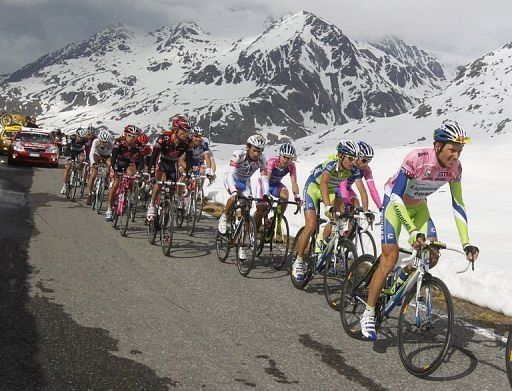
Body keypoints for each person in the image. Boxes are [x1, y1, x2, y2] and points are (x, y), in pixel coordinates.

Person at [359, 120, 480, 341]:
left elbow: (458, 204)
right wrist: (412, 231)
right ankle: (368, 311)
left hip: (419, 207)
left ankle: (401, 277)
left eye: (460, 151)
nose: (456, 156)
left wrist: (466, 242)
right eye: (452, 149)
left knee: (432, 254)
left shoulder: (455, 169)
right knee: (390, 257)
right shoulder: (417, 158)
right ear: (437, 146)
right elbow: (396, 196)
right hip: (395, 206)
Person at [291, 140, 368, 282]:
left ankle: (325, 243)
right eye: (350, 158)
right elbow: (324, 183)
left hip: (331, 190)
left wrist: (366, 210)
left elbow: (362, 190)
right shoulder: (331, 163)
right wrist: (327, 206)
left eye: (355, 159)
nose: (353, 162)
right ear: (340, 156)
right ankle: (299, 261)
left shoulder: (353, 169)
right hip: (314, 188)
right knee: (311, 225)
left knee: (342, 214)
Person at [218, 135, 268, 260]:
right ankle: (224, 217)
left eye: (260, 150)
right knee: (234, 197)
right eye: (255, 150)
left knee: (246, 213)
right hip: (232, 179)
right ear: (248, 147)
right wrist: (234, 191)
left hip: (245, 182)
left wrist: (265, 194)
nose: (257, 153)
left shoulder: (262, 159)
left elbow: (264, 177)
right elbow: (230, 173)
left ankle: (240, 245)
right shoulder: (239, 154)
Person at [146, 115, 193, 220]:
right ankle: (152, 204)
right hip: (161, 162)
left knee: (171, 191)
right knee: (160, 182)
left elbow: (189, 160)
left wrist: (189, 173)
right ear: (176, 130)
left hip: (173, 165)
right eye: (183, 131)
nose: (186, 134)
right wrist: (151, 172)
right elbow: (153, 156)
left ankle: (166, 217)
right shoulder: (164, 138)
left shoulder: (188, 142)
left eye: (188, 132)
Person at [253, 143, 301, 231]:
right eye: (284, 157)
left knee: (285, 194)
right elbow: (266, 178)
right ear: (280, 155)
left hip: (275, 185)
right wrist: (266, 194)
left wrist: (297, 197)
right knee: (261, 208)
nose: (286, 160)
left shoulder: (291, 166)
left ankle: (275, 219)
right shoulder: (272, 161)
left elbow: (294, 182)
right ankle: (254, 231)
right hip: (264, 184)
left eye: (289, 158)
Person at [105, 125, 145, 221]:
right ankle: (109, 209)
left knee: (132, 175)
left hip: (128, 163)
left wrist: (141, 171)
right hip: (117, 162)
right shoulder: (119, 142)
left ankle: (128, 195)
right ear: (125, 134)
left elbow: (141, 159)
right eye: (130, 136)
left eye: (134, 136)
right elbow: (114, 156)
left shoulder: (138, 145)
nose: (132, 138)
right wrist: (114, 169)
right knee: (115, 184)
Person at [339, 141, 382, 215]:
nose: (366, 163)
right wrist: (345, 204)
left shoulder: (366, 170)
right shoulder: (347, 166)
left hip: (347, 188)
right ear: (356, 158)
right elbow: (343, 186)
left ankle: (352, 226)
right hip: (336, 187)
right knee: (342, 209)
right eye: (364, 160)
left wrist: (380, 207)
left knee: (356, 204)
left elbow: (372, 189)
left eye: (369, 160)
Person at [85, 130, 113, 205]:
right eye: (102, 141)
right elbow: (91, 154)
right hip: (97, 156)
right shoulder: (95, 141)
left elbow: (113, 156)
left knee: (110, 164)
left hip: (106, 157)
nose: (103, 143)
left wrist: (109, 167)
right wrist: (93, 163)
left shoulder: (111, 144)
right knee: (93, 174)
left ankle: (106, 180)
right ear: (99, 140)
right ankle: (89, 194)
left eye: (105, 142)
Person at [60, 128, 88, 194]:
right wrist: (68, 157)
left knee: (82, 160)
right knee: (68, 168)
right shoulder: (72, 138)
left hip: (79, 152)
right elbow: (67, 147)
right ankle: (64, 186)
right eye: (79, 137)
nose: (80, 138)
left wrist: (87, 159)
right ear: (76, 135)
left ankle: (79, 176)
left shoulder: (85, 140)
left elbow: (87, 150)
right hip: (71, 152)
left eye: (82, 137)